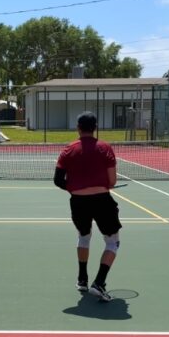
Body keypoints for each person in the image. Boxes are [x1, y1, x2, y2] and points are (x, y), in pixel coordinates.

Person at [54, 111, 122, 302]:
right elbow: (112, 181)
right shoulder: (105, 148)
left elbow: (58, 180)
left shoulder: (68, 150)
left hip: (78, 202)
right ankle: (99, 283)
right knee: (113, 242)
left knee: (84, 237)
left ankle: (82, 279)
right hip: (102, 200)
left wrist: (75, 188)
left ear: (78, 127)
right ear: (95, 127)